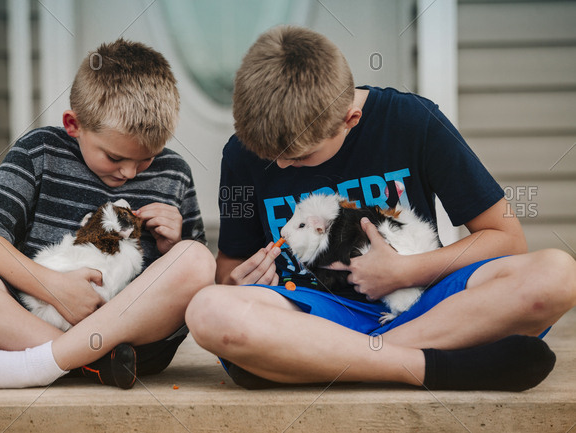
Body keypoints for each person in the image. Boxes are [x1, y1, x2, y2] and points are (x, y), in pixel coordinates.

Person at [185, 26, 576, 391]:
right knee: (207, 311)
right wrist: (240, 280)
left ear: (350, 119)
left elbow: (506, 238)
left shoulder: (413, 121)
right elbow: (227, 269)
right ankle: (433, 367)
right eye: (270, 157)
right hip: (313, 312)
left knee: (559, 274)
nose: (283, 166)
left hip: (426, 303)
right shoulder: (240, 155)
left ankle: (324, 363)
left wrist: (405, 270)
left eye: (298, 157)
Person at [0, 39, 215, 391]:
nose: (129, 172)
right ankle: (94, 362)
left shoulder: (174, 172)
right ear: (73, 124)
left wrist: (174, 245)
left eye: (145, 160)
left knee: (197, 259)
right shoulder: (40, 151)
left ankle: (39, 363)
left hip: (135, 343)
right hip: (33, 323)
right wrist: (54, 288)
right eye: (114, 157)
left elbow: (200, 286)